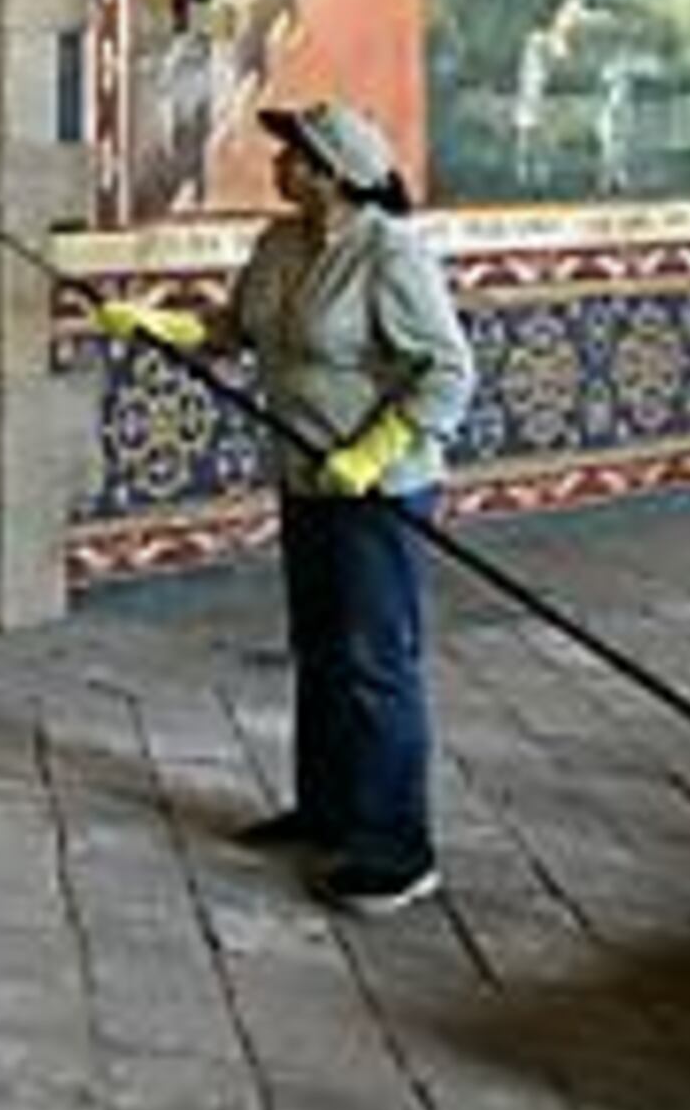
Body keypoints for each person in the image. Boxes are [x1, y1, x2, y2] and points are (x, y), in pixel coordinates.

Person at [98, 100, 474, 915]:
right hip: (306, 478)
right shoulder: (280, 245)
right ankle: (329, 809)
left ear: (335, 171)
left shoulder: (390, 254)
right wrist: (161, 323)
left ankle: (395, 848)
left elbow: (447, 372)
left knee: (376, 661)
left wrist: (374, 453)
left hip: (380, 490)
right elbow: (233, 329)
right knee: (321, 647)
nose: (278, 165)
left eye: (293, 154)